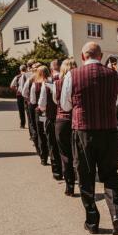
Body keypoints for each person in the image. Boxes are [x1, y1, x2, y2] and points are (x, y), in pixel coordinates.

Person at [61, 42, 118, 235]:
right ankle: (116, 214)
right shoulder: (115, 74)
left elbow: (65, 105)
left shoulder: (73, 75)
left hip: (83, 131)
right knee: (111, 174)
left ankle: (92, 220)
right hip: (108, 131)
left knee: (85, 177)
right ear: (101, 55)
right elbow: (116, 101)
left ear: (82, 56)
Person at [52, 58, 77, 196]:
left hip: (62, 119)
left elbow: (56, 101)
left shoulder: (57, 83)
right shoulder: (80, 81)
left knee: (65, 154)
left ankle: (70, 185)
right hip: (77, 119)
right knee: (78, 153)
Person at [38, 66, 63, 181]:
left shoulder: (46, 84)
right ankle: (68, 170)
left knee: (53, 145)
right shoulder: (67, 80)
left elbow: (42, 105)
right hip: (65, 118)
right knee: (65, 146)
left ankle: (57, 173)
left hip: (51, 117)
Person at [30, 66, 51, 167]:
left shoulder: (35, 85)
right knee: (50, 134)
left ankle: (43, 157)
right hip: (51, 112)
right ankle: (52, 154)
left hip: (40, 111)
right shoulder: (52, 82)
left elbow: (33, 101)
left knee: (41, 134)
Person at [22, 63, 40, 153]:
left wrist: (28, 98)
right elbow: (24, 92)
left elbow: (24, 93)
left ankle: (38, 144)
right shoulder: (31, 79)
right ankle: (38, 143)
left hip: (34, 104)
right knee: (35, 124)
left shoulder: (31, 79)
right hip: (36, 105)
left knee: (34, 124)